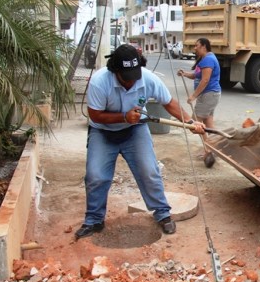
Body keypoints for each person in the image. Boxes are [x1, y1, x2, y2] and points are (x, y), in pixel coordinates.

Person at [75, 44, 204, 240]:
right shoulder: (100, 82)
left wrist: (190, 122)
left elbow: (169, 103)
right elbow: (95, 115)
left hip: (135, 130)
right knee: (96, 176)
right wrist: (124, 117)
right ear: (115, 71)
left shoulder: (148, 78)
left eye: (134, 76)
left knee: (149, 170)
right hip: (103, 132)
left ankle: (162, 213)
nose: (131, 82)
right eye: (126, 78)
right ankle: (94, 219)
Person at [177, 38, 221, 154]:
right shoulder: (206, 59)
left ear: (204, 46)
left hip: (208, 95)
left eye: (197, 46)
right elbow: (197, 76)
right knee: (209, 125)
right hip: (210, 96)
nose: (194, 48)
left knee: (194, 125)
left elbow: (205, 80)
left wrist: (193, 96)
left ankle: (208, 150)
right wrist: (185, 74)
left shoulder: (208, 60)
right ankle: (213, 149)